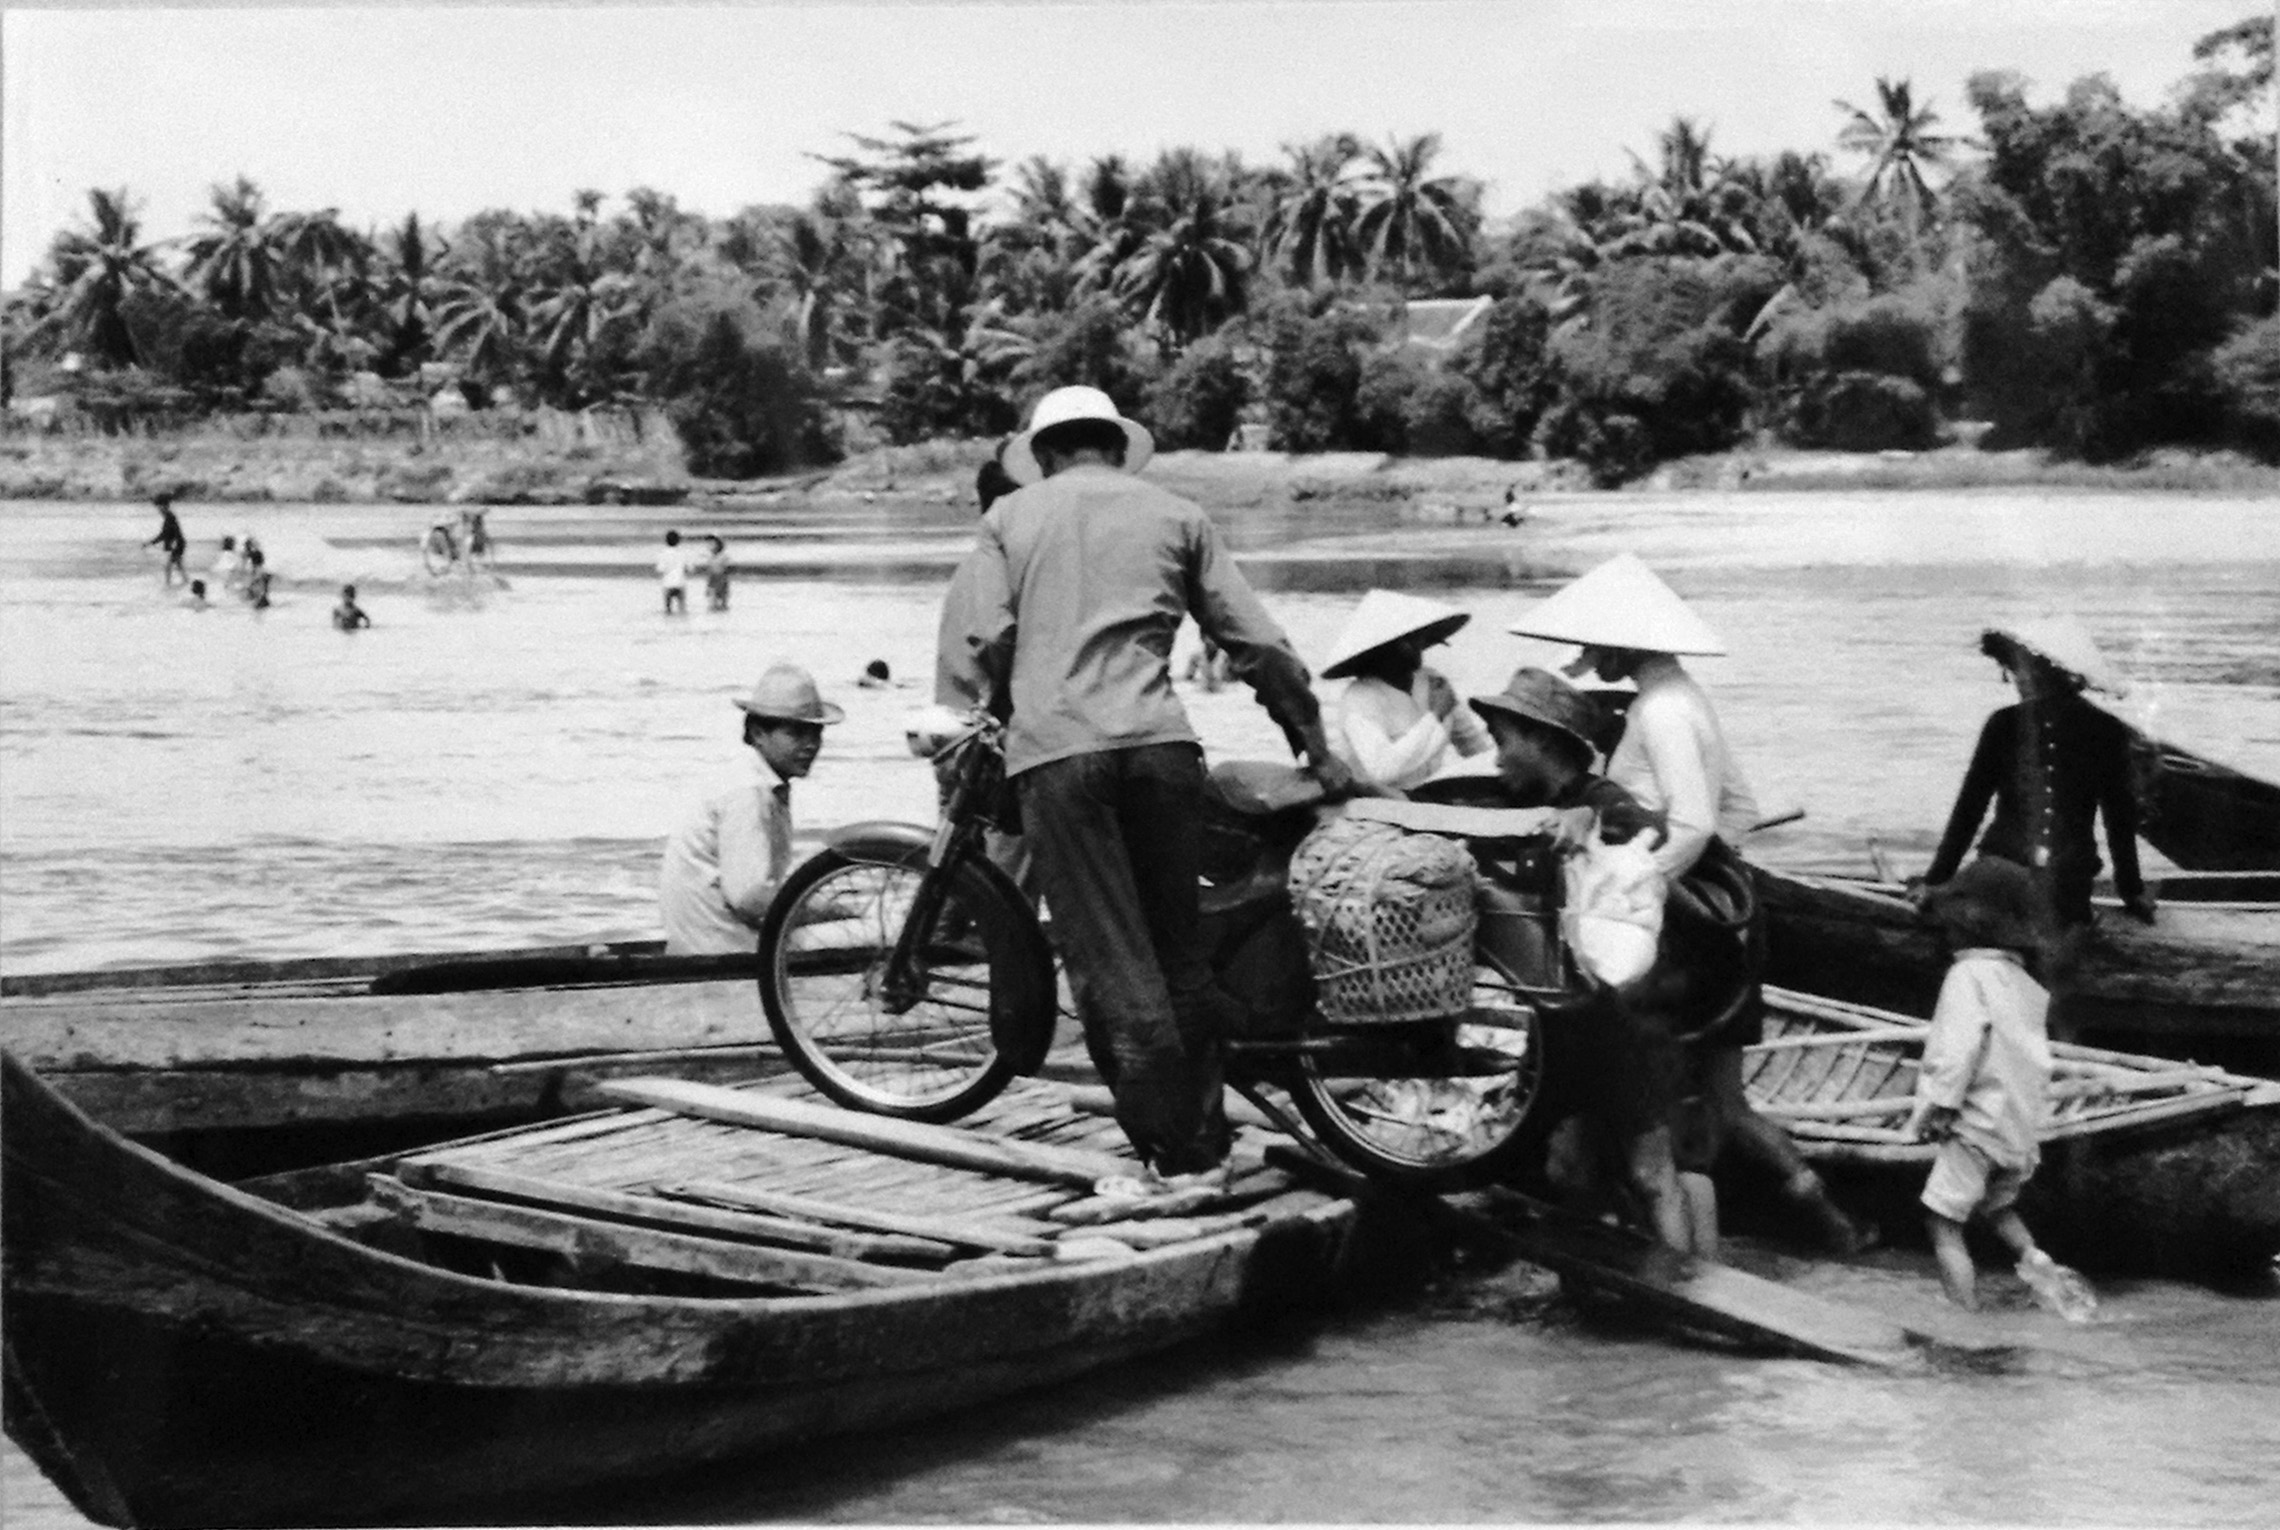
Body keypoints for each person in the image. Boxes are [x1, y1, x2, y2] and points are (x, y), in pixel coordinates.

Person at [937, 385, 1354, 1185]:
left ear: (1047, 453)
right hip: (1163, 750)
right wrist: (1312, 742)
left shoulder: (1009, 520)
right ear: (1114, 447)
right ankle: (1201, 1135)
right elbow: (1257, 642)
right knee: (1177, 956)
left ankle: (1175, 1154)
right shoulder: (1178, 516)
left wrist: (977, 719)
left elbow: (983, 637)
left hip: (1059, 759)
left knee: (1108, 964)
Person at [1510, 552, 1871, 1254]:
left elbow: (1698, 821)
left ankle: (1670, 1252)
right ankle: (1837, 1230)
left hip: (1676, 928)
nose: (1589, 660)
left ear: (1622, 642)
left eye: (1594, 647)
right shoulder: (1686, 697)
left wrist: (1641, 882)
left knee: (1645, 1092)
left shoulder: (1660, 709)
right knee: (1726, 1102)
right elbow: (1739, 812)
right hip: (1721, 918)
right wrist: (1712, 883)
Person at [1907, 856, 2095, 1319]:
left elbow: (1957, 1052)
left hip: (1978, 1126)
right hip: (2018, 1127)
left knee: (1942, 1221)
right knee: (1996, 1208)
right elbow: (2031, 1060)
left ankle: (1965, 1316)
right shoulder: (2027, 985)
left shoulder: (1966, 976)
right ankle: (2039, 1263)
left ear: (1968, 920)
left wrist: (1936, 1108)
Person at [1922, 617, 2152, 935]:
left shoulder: (2002, 724)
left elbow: (1969, 811)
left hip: (1996, 875)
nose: (2013, 680)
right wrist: (2131, 891)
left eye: (2016, 669)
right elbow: (2119, 821)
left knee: (1967, 909)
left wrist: (1935, 880)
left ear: (2036, 671)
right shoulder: (2108, 730)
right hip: (2065, 886)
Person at [659, 663, 843, 954]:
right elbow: (750, 899)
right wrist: (835, 912)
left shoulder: (751, 778)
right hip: (725, 947)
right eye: (797, 733)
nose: (811, 745)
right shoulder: (748, 790)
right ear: (758, 733)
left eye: (816, 733)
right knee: (877, 929)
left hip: (709, 941)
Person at [1319, 588, 1493, 794]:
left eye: (1416, 637)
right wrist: (1435, 717)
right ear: (1381, 649)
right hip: (1379, 805)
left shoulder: (1434, 683)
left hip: (1430, 797)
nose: (1418, 645)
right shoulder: (1359, 698)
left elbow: (1473, 745)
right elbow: (1383, 770)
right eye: (1406, 641)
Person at [147, 493, 188, 586]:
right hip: (178, 544)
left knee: (168, 567)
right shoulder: (168, 517)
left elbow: (168, 533)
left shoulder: (170, 517)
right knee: (178, 566)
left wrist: (150, 543)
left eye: (159, 506)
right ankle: (185, 583)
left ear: (165, 506)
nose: (158, 509)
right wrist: (151, 543)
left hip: (177, 544)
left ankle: (168, 585)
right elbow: (165, 534)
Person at [656, 530, 690, 615]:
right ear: (678, 541)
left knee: (667, 609)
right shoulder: (683, 553)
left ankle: (669, 623)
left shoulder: (663, 554)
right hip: (680, 583)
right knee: (682, 609)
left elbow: (660, 569)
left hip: (668, 584)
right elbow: (689, 568)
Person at [703, 535, 732, 612]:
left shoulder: (723, 556)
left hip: (722, 580)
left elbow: (727, 570)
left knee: (723, 603)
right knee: (712, 604)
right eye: (708, 544)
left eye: (712, 544)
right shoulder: (710, 557)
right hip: (712, 580)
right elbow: (709, 571)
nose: (709, 546)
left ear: (718, 545)